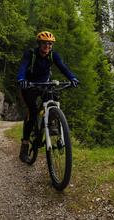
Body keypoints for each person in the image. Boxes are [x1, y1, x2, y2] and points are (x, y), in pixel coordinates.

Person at [17, 31, 79, 163]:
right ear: (39, 44)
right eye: (44, 43)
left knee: (54, 97)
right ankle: (25, 144)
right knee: (33, 113)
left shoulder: (53, 56)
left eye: (50, 44)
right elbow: (22, 67)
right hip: (29, 84)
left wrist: (72, 77)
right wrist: (21, 79)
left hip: (44, 83)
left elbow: (63, 68)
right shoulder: (31, 54)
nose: (47, 46)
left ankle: (51, 123)